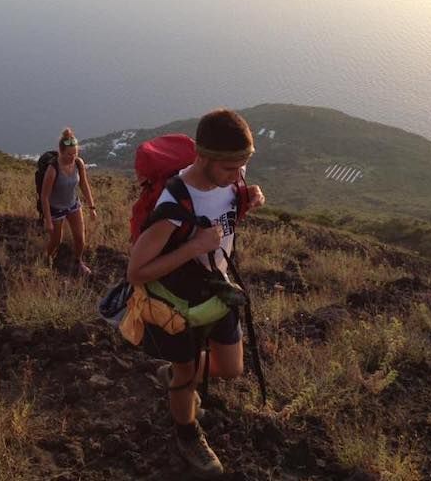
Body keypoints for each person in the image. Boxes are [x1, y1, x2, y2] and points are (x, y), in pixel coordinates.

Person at [126, 108, 265, 477]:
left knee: (230, 369)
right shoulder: (172, 204)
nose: (238, 175)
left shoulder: (230, 179)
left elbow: (222, 219)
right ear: (202, 157)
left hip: (220, 290)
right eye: (231, 168)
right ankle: (186, 432)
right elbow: (136, 271)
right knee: (187, 375)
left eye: (243, 167)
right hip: (179, 301)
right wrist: (192, 247)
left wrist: (246, 199)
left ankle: (175, 380)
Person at [40, 127, 97, 275]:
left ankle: (78, 262)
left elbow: (84, 185)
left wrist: (92, 207)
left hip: (73, 205)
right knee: (56, 241)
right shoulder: (53, 169)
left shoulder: (78, 163)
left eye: (75, 153)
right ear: (61, 151)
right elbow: (44, 196)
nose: (72, 157)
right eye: (69, 154)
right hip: (55, 208)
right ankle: (46, 260)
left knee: (80, 238)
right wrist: (48, 220)